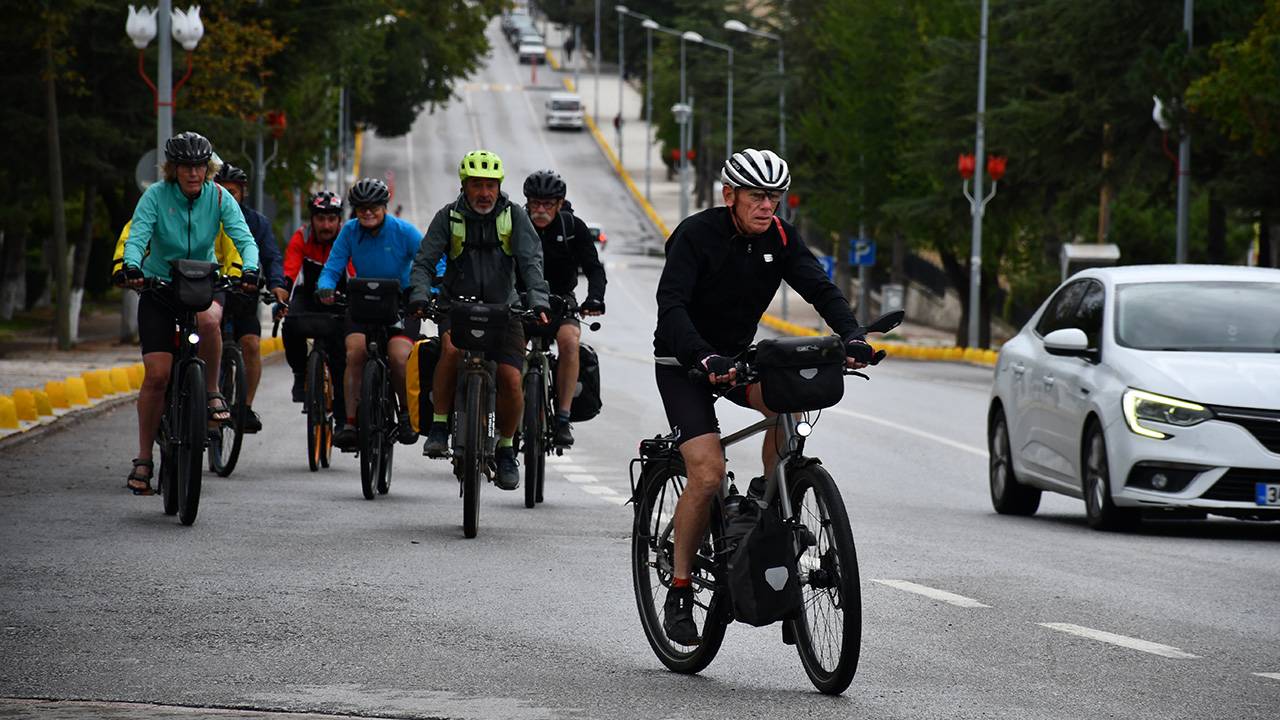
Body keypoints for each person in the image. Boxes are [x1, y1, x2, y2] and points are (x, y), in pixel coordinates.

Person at [652, 148, 877, 645]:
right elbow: (671, 307)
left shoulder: (780, 238)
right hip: (683, 363)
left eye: (774, 197)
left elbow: (820, 288)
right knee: (708, 474)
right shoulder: (695, 236)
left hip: (738, 359)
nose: (766, 206)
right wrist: (701, 358)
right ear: (729, 195)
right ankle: (681, 590)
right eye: (756, 196)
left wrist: (852, 335)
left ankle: (768, 495)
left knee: (789, 399)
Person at [116, 131, 260, 495]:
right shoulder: (155, 196)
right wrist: (132, 266)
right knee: (157, 377)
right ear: (173, 169)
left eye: (199, 166)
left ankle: (211, 392)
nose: (193, 173)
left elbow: (244, 239)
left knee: (211, 319)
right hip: (160, 286)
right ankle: (144, 458)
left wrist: (250, 269)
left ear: (207, 168)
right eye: (186, 167)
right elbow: (138, 236)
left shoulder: (219, 196)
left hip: (202, 283)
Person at [407, 150, 550, 491]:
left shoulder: (514, 216)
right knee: (451, 351)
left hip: (506, 309)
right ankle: (440, 426)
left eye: (491, 185)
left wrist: (539, 300)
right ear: (465, 186)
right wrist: (419, 295)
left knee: (511, 378)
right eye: (477, 185)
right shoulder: (449, 217)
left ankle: (504, 449)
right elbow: (425, 261)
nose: (485, 193)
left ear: (499, 186)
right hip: (457, 306)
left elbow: (531, 263)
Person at [316, 178, 423, 451]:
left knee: (399, 356)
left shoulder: (404, 231)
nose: (367, 212)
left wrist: (431, 288)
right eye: (361, 207)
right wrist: (325, 287)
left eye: (373, 206)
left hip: (401, 302)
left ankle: (406, 415)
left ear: (384, 206)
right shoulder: (350, 232)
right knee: (355, 352)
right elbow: (333, 266)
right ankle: (351, 422)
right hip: (363, 301)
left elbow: (430, 260)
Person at [520, 170, 606, 446]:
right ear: (527, 202)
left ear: (560, 204)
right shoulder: (515, 224)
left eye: (548, 204)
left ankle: (563, 418)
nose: (541, 210)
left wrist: (595, 298)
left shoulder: (573, 228)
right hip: (520, 300)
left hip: (560, 300)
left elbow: (594, 268)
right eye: (535, 203)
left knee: (570, 342)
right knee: (505, 348)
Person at [213, 163, 287, 433]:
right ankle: (202, 395)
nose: (228, 197)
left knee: (252, 345)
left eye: (233, 192)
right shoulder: (204, 216)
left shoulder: (256, 222)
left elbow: (271, 257)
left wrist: (278, 286)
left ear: (243, 193)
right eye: (221, 191)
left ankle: (244, 406)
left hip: (244, 295)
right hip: (207, 295)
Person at [281, 191, 349, 419]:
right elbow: (289, 272)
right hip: (308, 296)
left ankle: (341, 416)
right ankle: (300, 374)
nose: (326, 225)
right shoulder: (302, 236)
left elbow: (353, 272)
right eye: (321, 219)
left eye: (331, 219)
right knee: (289, 323)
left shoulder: (346, 237)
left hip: (340, 298)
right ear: (312, 219)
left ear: (340, 220)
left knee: (342, 358)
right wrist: (281, 297)